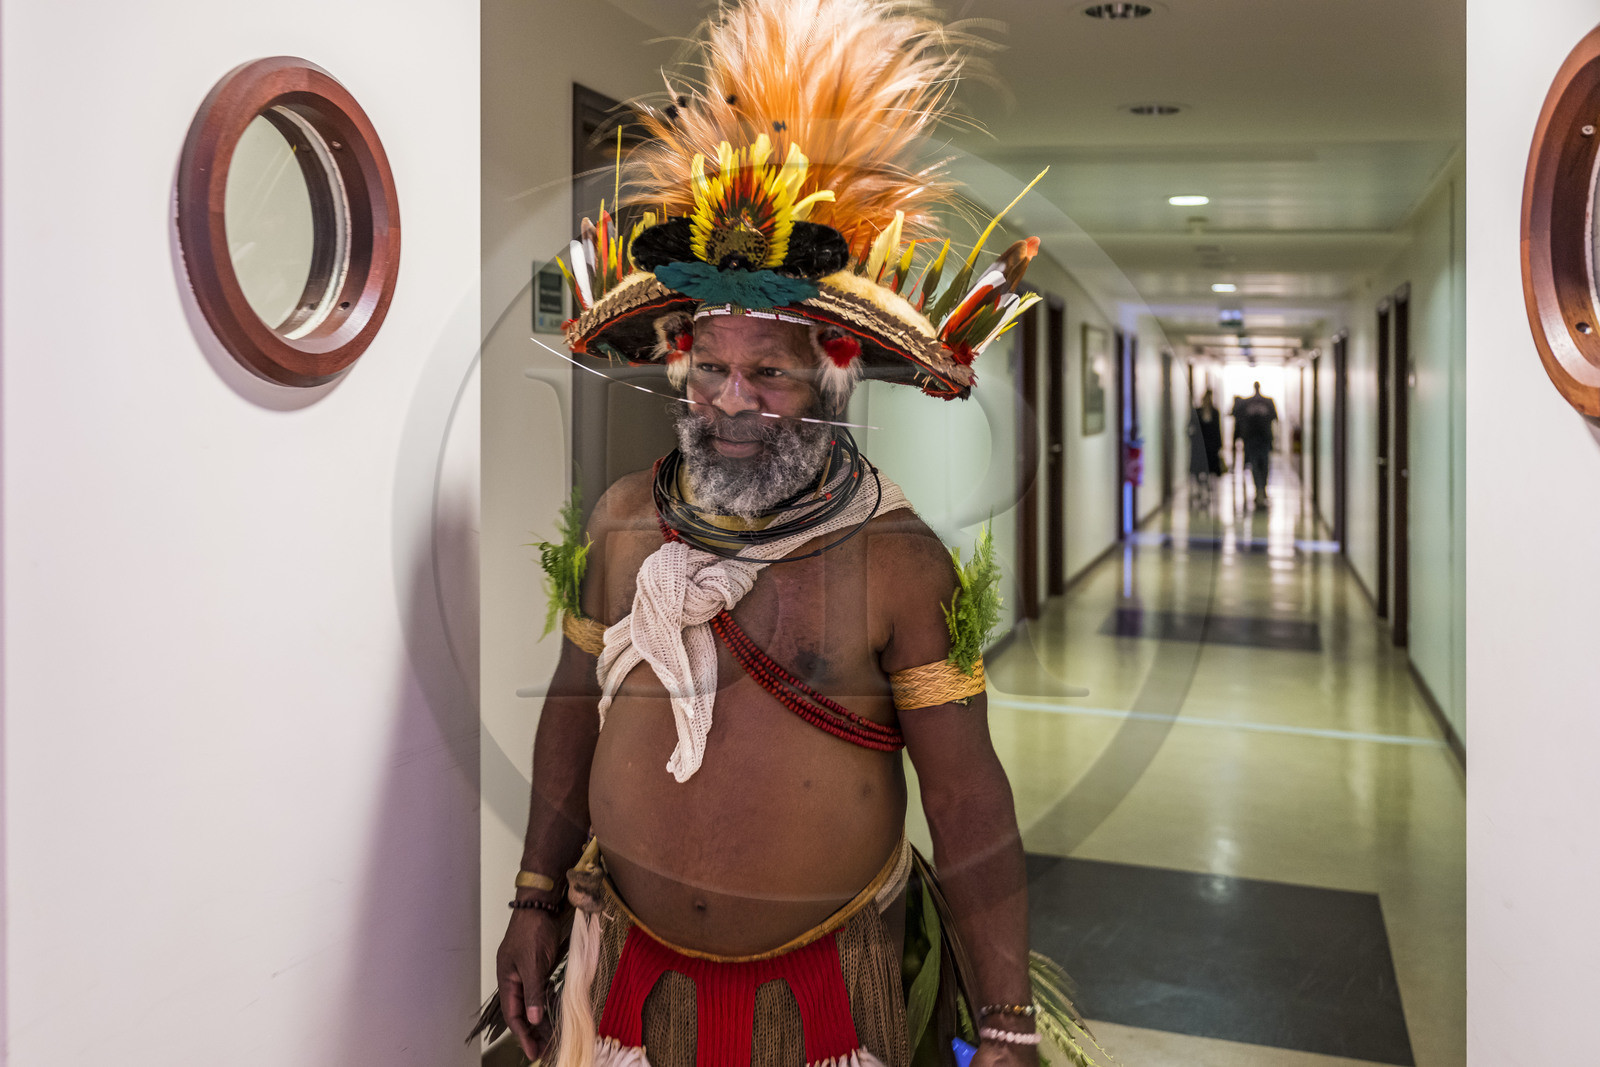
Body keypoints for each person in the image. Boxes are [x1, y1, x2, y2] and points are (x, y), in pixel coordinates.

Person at [477, 2, 1111, 1065]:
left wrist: (1002, 1018)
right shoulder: (626, 519)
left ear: (829, 380)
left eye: (769, 371)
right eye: (712, 367)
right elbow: (570, 710)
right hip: (629, 979)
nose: (734, 400)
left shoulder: (900, 564)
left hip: (828, 1003)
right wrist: (536, 894)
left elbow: (963, 799)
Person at [1232, 382, 1279, 509]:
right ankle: (1260, 489)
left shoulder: (1248, 403)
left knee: (1258, 466)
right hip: (1257, 440)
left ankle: (1260, 490)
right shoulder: (1267, 402)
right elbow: (1275, 418)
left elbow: (1237, 417)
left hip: (1257, 440)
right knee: (1262, 466)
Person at [1187, 389, 1223, 508]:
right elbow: (1189, 428)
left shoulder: (1214, 412)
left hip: (1211, 447)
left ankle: (1206, 488)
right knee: (1197, 469)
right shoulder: (1196, 412)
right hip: (1198, 447)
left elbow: (1217, 430)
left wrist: (1219, 446)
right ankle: (1199, 488)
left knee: (1209, 469)